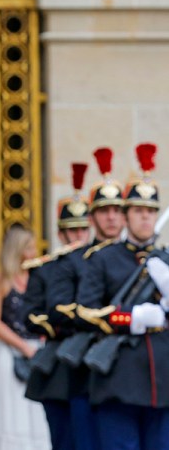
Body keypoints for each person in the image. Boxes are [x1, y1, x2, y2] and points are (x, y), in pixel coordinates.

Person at [75, 143, 169, 450]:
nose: (146, 218)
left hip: (163, 381)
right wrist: (134, 318)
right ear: (126, 216)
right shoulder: (103, 258)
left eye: (151, 212)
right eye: (139, 211)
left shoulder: (165, 260)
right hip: (119, 378)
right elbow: (86, 312)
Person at [23, 162, 101, 450]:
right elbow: (30, 316)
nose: (78, 236)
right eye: (72, 231)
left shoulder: (98, 263)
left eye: (83, 230)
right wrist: (63, 323)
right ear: (61, 233)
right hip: (59, 361)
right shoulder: (46, 269)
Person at [0, 226, 50, 450]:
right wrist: (22, 346)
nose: (33, 253)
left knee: (38, 413)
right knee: (12, 412)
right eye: (29, 248)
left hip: (37, 350)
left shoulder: (38, 277)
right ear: (17, 250)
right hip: (8, 351)